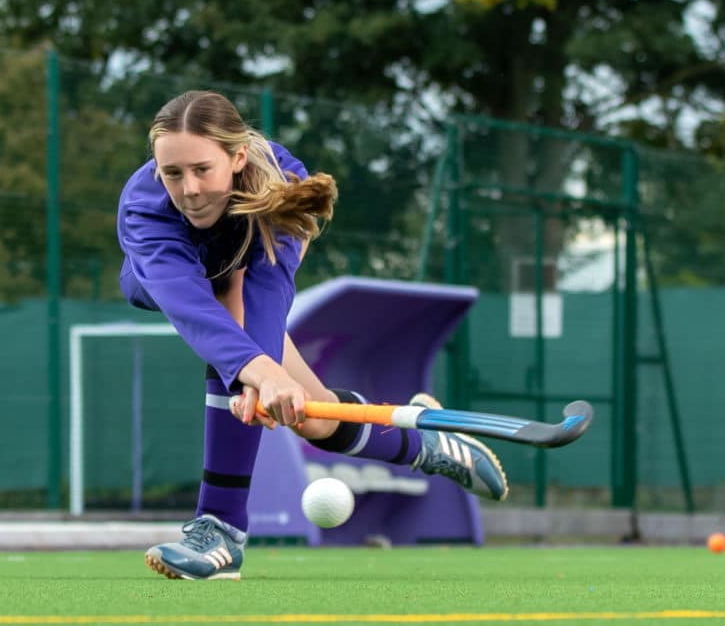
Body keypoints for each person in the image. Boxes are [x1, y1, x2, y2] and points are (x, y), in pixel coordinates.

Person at [116, 90, 509, 581]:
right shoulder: (146, 211)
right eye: (171, 173)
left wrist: (257, 378)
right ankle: (221, 528)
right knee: (227, 317)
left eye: (201, 169)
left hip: (241, 278)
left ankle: (427, 444)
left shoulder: (284, 182)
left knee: (315, 419)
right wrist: (253, 376)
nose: (189, 189)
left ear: (237, 157)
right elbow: (190, 307)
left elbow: (268, 294)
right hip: (162, 285)